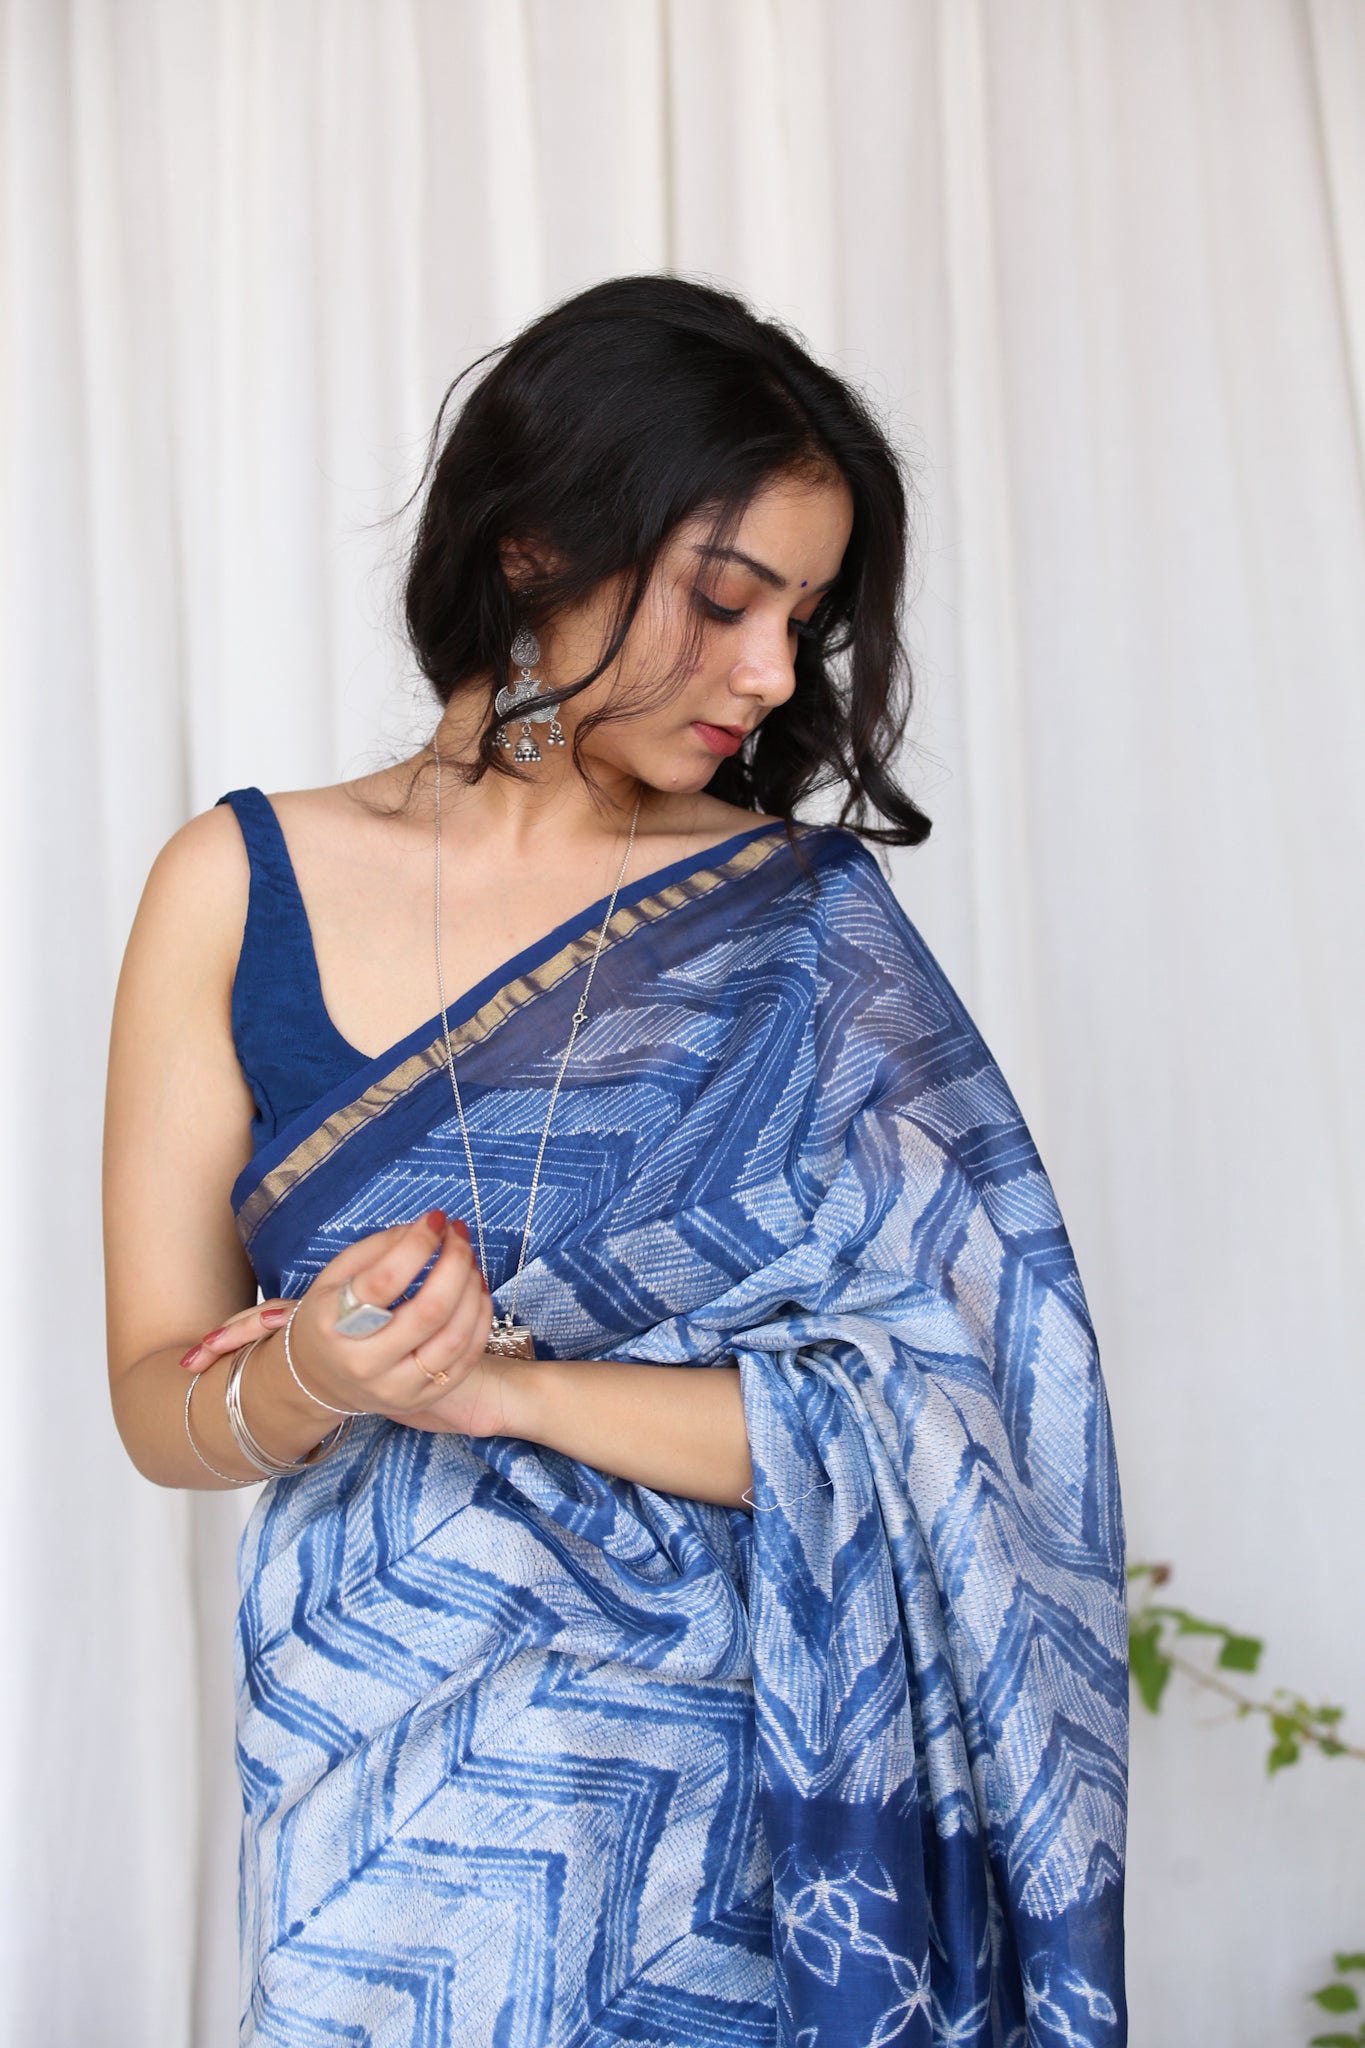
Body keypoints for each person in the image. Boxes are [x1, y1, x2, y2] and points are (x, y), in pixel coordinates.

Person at [104, 275, 1128, 2047]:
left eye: (803, 619)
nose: (773, 674)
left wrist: (499, 1390)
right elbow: (152, 1400)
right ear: (532, 548)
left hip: (759, 1836)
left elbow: (964, 1417)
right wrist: (316, 1374)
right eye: (724, 601)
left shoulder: (798, 933)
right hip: (388, 1825)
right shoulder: (235, 884)